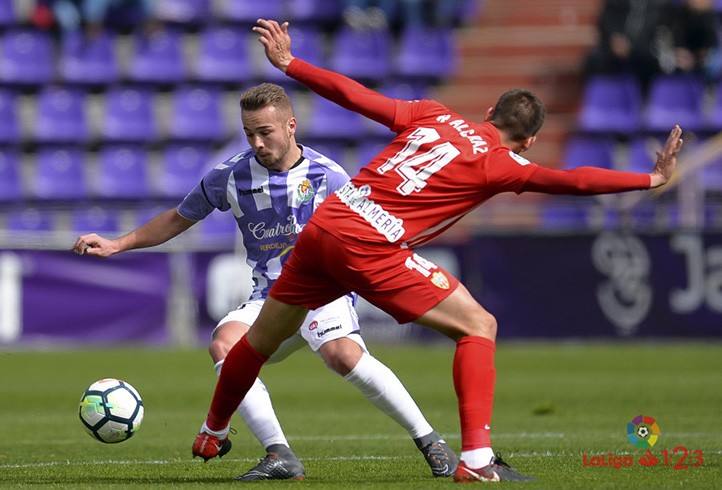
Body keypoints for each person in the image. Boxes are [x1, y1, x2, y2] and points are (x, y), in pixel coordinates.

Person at [191, 19, 683, 483]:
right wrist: (649, 178)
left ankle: (213, 432)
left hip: (327, 223)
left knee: (256, 343)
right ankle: (475, 460)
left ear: (489, 112)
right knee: (479, 325)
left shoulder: (432, 114)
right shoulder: (502, 164)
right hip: (370, 243)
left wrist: (291, 65)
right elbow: (571, 181)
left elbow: (359, 97)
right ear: (528, 142)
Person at [72, 82, 458, 480]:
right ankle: (280, 456)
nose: (256, 142)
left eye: (265, 132)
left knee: (342, 355)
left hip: (322, 293)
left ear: (291, 126)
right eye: (249, 133)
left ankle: (431, 442)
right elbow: (178, 217)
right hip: (271, 298)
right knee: (225, 344)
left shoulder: (329, 176)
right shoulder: (231, 176)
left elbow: (369, 232)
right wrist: (119, 244)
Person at [583, 0, 669, 93]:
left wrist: (633, 46)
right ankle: (598, 98)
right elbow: (606, 20)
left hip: (642, 48)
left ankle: (644, 101)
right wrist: (614, 38)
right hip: (614, 45)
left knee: (654, 63)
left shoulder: (659, 5)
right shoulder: (615, 2)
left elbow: (656, 32)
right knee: (594, 59)